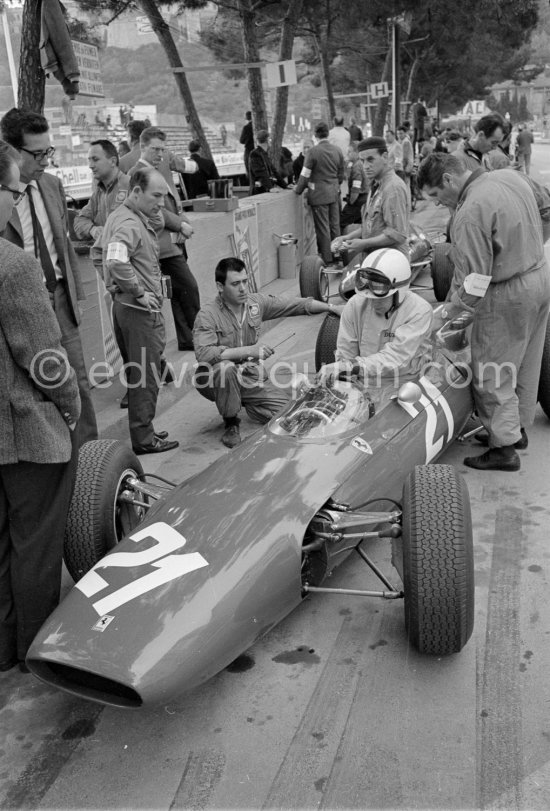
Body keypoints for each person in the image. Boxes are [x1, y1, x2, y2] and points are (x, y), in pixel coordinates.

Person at [0, 140, 81, 672]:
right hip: (24, 432)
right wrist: (70, 406)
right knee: (34, 547)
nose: (15, 202)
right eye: (11, 190)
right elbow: (45, 357)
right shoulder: (13, 265)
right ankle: (35, 652)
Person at [417, 152, 550, 471]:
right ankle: (514, 430)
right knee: (525, 360)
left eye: (436, 196)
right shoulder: (510, 176)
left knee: (492, 368)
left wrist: (447, 318)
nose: (437, 204)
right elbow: (547, 208)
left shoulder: (468, 213)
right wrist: (531, 245)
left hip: (507, 292)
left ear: (449, 180)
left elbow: (474, 282)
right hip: (539, 276)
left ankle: (504, 449)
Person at [0, 107, 97, 446]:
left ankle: (91, 464)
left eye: (49, 152)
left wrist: (76, 298)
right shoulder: (2, 195)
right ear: (10, 148)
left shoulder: (51, 185)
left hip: (59, 299)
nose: (45, 161)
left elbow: (63, 244)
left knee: (79, 383)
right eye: (37, 154)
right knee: (37, 388)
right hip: (22, 307)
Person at [193, 257, 342, 448]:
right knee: (225, 368)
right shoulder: (207, 314)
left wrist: (332, 307)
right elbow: (204, 354)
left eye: (245, 281)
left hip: (248, 376)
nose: (243, 288)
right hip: (212, 378)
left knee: (291, 413)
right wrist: (250, 351)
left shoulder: (255, 304)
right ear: (220, 286)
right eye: (235, 283)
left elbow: (295, 305)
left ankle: (251, 405)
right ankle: (231, 423)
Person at [102, 166, 178, 455]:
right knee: (146, 376)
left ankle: (144, 430)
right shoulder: (130, 224)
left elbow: (102, 254)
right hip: (139, 310)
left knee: (141, 372)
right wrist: (137, 291)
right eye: (156, 196)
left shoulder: (120, 217)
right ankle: (145, 439)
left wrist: (115, 287)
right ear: (136, 192)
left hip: (125, 307)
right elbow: (116, 261)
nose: (161, 202)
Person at [317, 249, 433, 397]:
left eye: (379, 298)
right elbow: (346, 351)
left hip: (405, 384)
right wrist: (343, 375)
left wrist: (350, 366)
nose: (373, 302)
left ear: (399, 291)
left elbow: (396, 358)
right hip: (363, 382)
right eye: (368, 296)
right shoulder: (354, 305)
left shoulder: (419, 311)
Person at [129, 126, 200, 351]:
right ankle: (199, 339)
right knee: (188, 289)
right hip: (160, 246)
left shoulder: (154, 170)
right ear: (143, 147)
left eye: (163, 149)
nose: (160, 154)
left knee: (180, 293)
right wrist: (180, 224)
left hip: (168, 243)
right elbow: (154, 210)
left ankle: (189, 340)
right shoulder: (138, 173)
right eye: (156, 149)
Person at [331, 136, 410, 262]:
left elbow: (397, 235)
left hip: (391, 262)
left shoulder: (393, 188)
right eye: (362, 161)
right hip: (376, 260)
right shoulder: (376, 185)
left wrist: (364, 243)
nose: (365, 166)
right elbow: (371, 226)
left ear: (384, 157)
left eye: (370, 160)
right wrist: (347, 237)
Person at [294, 121, 345, 267]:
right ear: (327, 133)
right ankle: (339, 255)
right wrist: (335, 184)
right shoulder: (337, 150)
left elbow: (304, 175)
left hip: (319, 195)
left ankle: (327, 258)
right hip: (334, 193)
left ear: (315, 135)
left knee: (323, 228)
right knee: (335, 225)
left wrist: (298, 190)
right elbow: (341, 174)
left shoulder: (313, 152)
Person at [248, 130, 287, 195]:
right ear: (268, 140)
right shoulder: (255, 154)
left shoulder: (264, 154)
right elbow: (260, 173)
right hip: (259, 192)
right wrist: (270, 188)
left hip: (265, 190)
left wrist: (285, 185)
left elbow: (274, 172)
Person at [340, 140, 368, 230]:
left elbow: (356, 187)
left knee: (341, 222)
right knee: (360, 224)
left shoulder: (356, 167)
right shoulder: (361, 163)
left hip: (357, 201)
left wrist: (351, 202)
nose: (347, 154)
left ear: (357, 153)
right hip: (364, 200)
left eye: (349, 152)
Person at [397, 125, 414, 191]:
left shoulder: (405, 142)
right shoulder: (402, 141)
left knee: (405, 186)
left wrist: (402, 168)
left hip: (406, 167)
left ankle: (406, 200)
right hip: (407, 167)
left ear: (405, 133)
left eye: (401, 133)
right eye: (398, 133)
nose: (399, 135)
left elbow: (404, 157)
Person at [239, 111, 254, 178]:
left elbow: (241, 140)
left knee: (250, 171)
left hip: (249, 150)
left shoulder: (246, 127)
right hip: (258, 148)